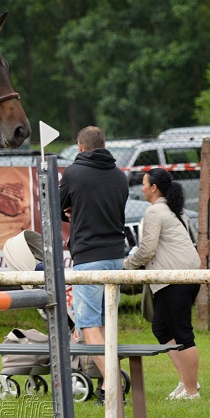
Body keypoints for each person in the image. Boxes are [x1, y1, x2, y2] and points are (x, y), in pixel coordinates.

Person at [58, 126, 129, 402]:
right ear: (104, 144)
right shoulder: (120, 176)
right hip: (116, 257)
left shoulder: (73, 173)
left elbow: (57, 206)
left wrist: (72, 212)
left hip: (89, 257)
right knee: (107, 323)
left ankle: (112, 385)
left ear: (80, 146)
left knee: (88, 325)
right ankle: (107, 385)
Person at [124, 168, 202, 400]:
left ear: (154, 187)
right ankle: (187, 380)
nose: (142, 188)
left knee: (182, 334)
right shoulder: (175, 209)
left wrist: (128, 264)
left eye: (144, 184)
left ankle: (191, 391)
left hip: (175, 279)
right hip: (184, 277)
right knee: (161, 328)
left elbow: (147, 249)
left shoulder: (155, 211)